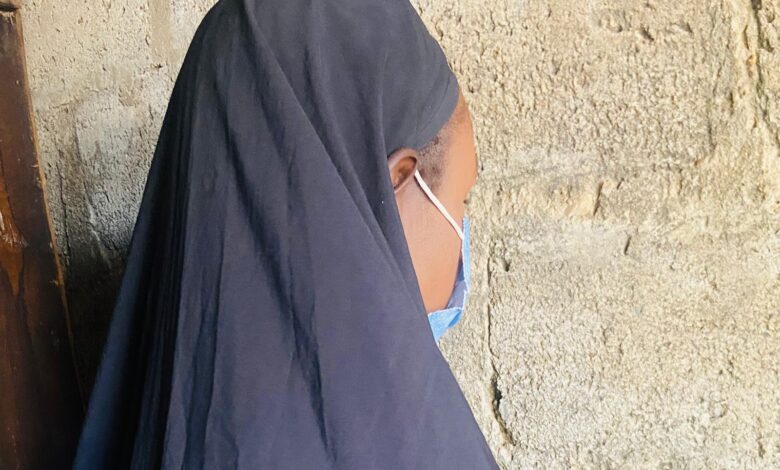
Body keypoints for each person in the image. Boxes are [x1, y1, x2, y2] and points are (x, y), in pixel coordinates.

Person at [72, 0, 498, 468]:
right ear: (398, 178)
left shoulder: (144, 405)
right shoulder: (408, 441)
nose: (463, 240)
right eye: (462, 201)